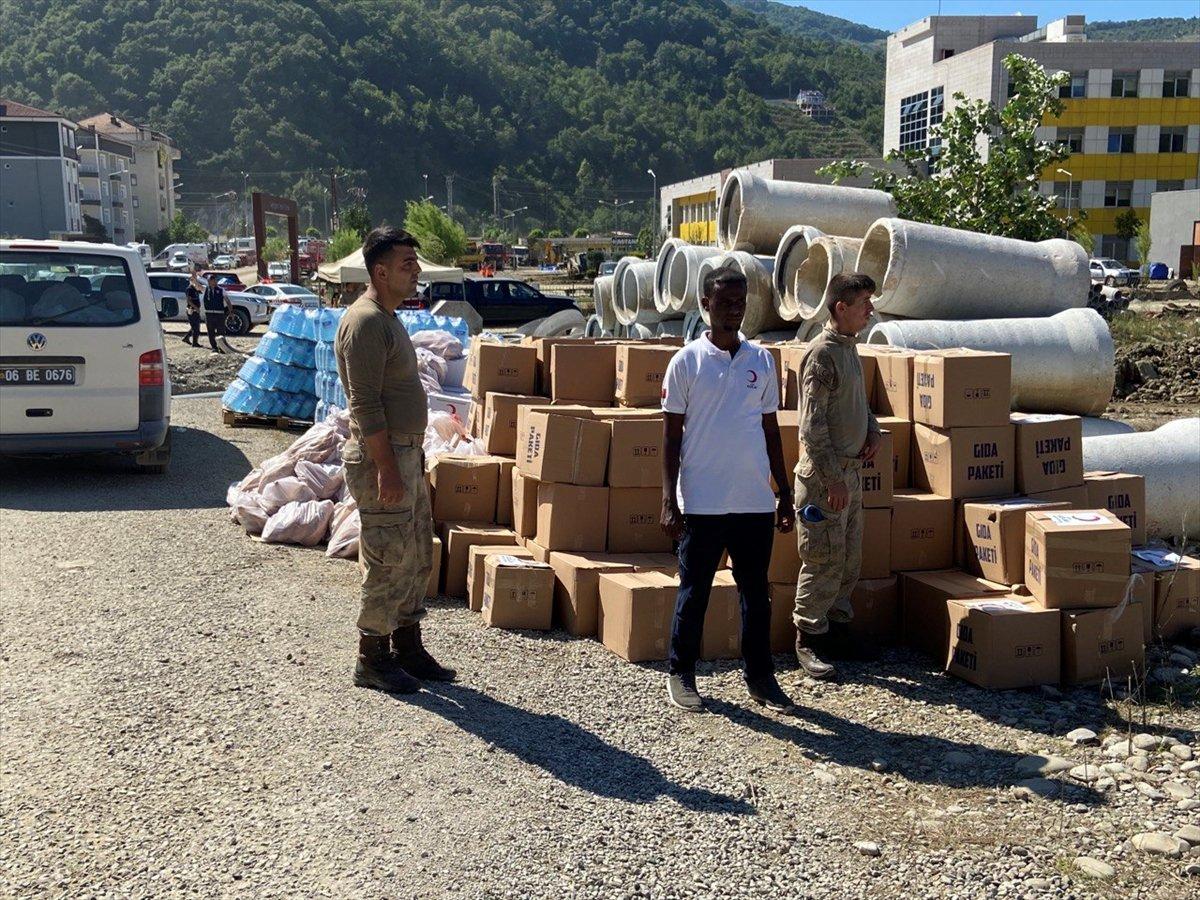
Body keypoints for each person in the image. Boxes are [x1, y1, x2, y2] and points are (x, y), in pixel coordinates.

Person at [660, 267, 796, 713]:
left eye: (740, 303)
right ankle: (681, 673)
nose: (734, 310)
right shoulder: (687, 363)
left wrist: (784, 489)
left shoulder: (760, 360)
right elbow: (671, 437)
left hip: (753, 500)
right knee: (694, 589)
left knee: (756, 594)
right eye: (724, 303)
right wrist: (668, 498)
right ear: (705, 306)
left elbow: (771, 429)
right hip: (702, 501)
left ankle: (760, 678)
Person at [335, 226, 454, 693]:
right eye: (407, 264)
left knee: (416, 554)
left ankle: (406, 644)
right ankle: (372, 657)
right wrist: (386, 467)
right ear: (380, 272)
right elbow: (364, 405)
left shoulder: (387, 317)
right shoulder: (365, 322)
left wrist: (409, 460)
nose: (417, 271)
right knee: (388, 556)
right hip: (382, 455)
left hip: (405, 452)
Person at [792, 273, 882, 680]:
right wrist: (832, 480)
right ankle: (809, 637)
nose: (870, 310)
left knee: (849, 558)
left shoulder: (849, 348)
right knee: (823, 558)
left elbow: (855, 404)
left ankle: (838, 631)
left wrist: (873, 430)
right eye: (863, 302)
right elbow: (812, 427)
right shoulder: (822, 354)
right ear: (840, 308)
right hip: (825, 479)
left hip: (849, 473)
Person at [201, 274, 231, 353]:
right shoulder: (206, 289)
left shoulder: (221, 290)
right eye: (208, 281)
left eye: (211, 280)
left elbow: (227, 300)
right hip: (209, 314)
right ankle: (214, 347)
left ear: (215, 281)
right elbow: (198, 286)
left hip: (219, 314)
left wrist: (231, 312)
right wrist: (193, 278)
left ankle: (222, 347)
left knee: (221, 331)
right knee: (211, 332)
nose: (209, 282)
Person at [182, 277, 202, 347]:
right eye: (193, 281)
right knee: (196, 327)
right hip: (192, 310)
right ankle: (195, 343)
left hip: (196, 310)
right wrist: (196, 307)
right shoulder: (189, 289)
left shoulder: (195, 289)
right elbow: (189, 301)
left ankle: (186, 338)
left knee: (195, 326)